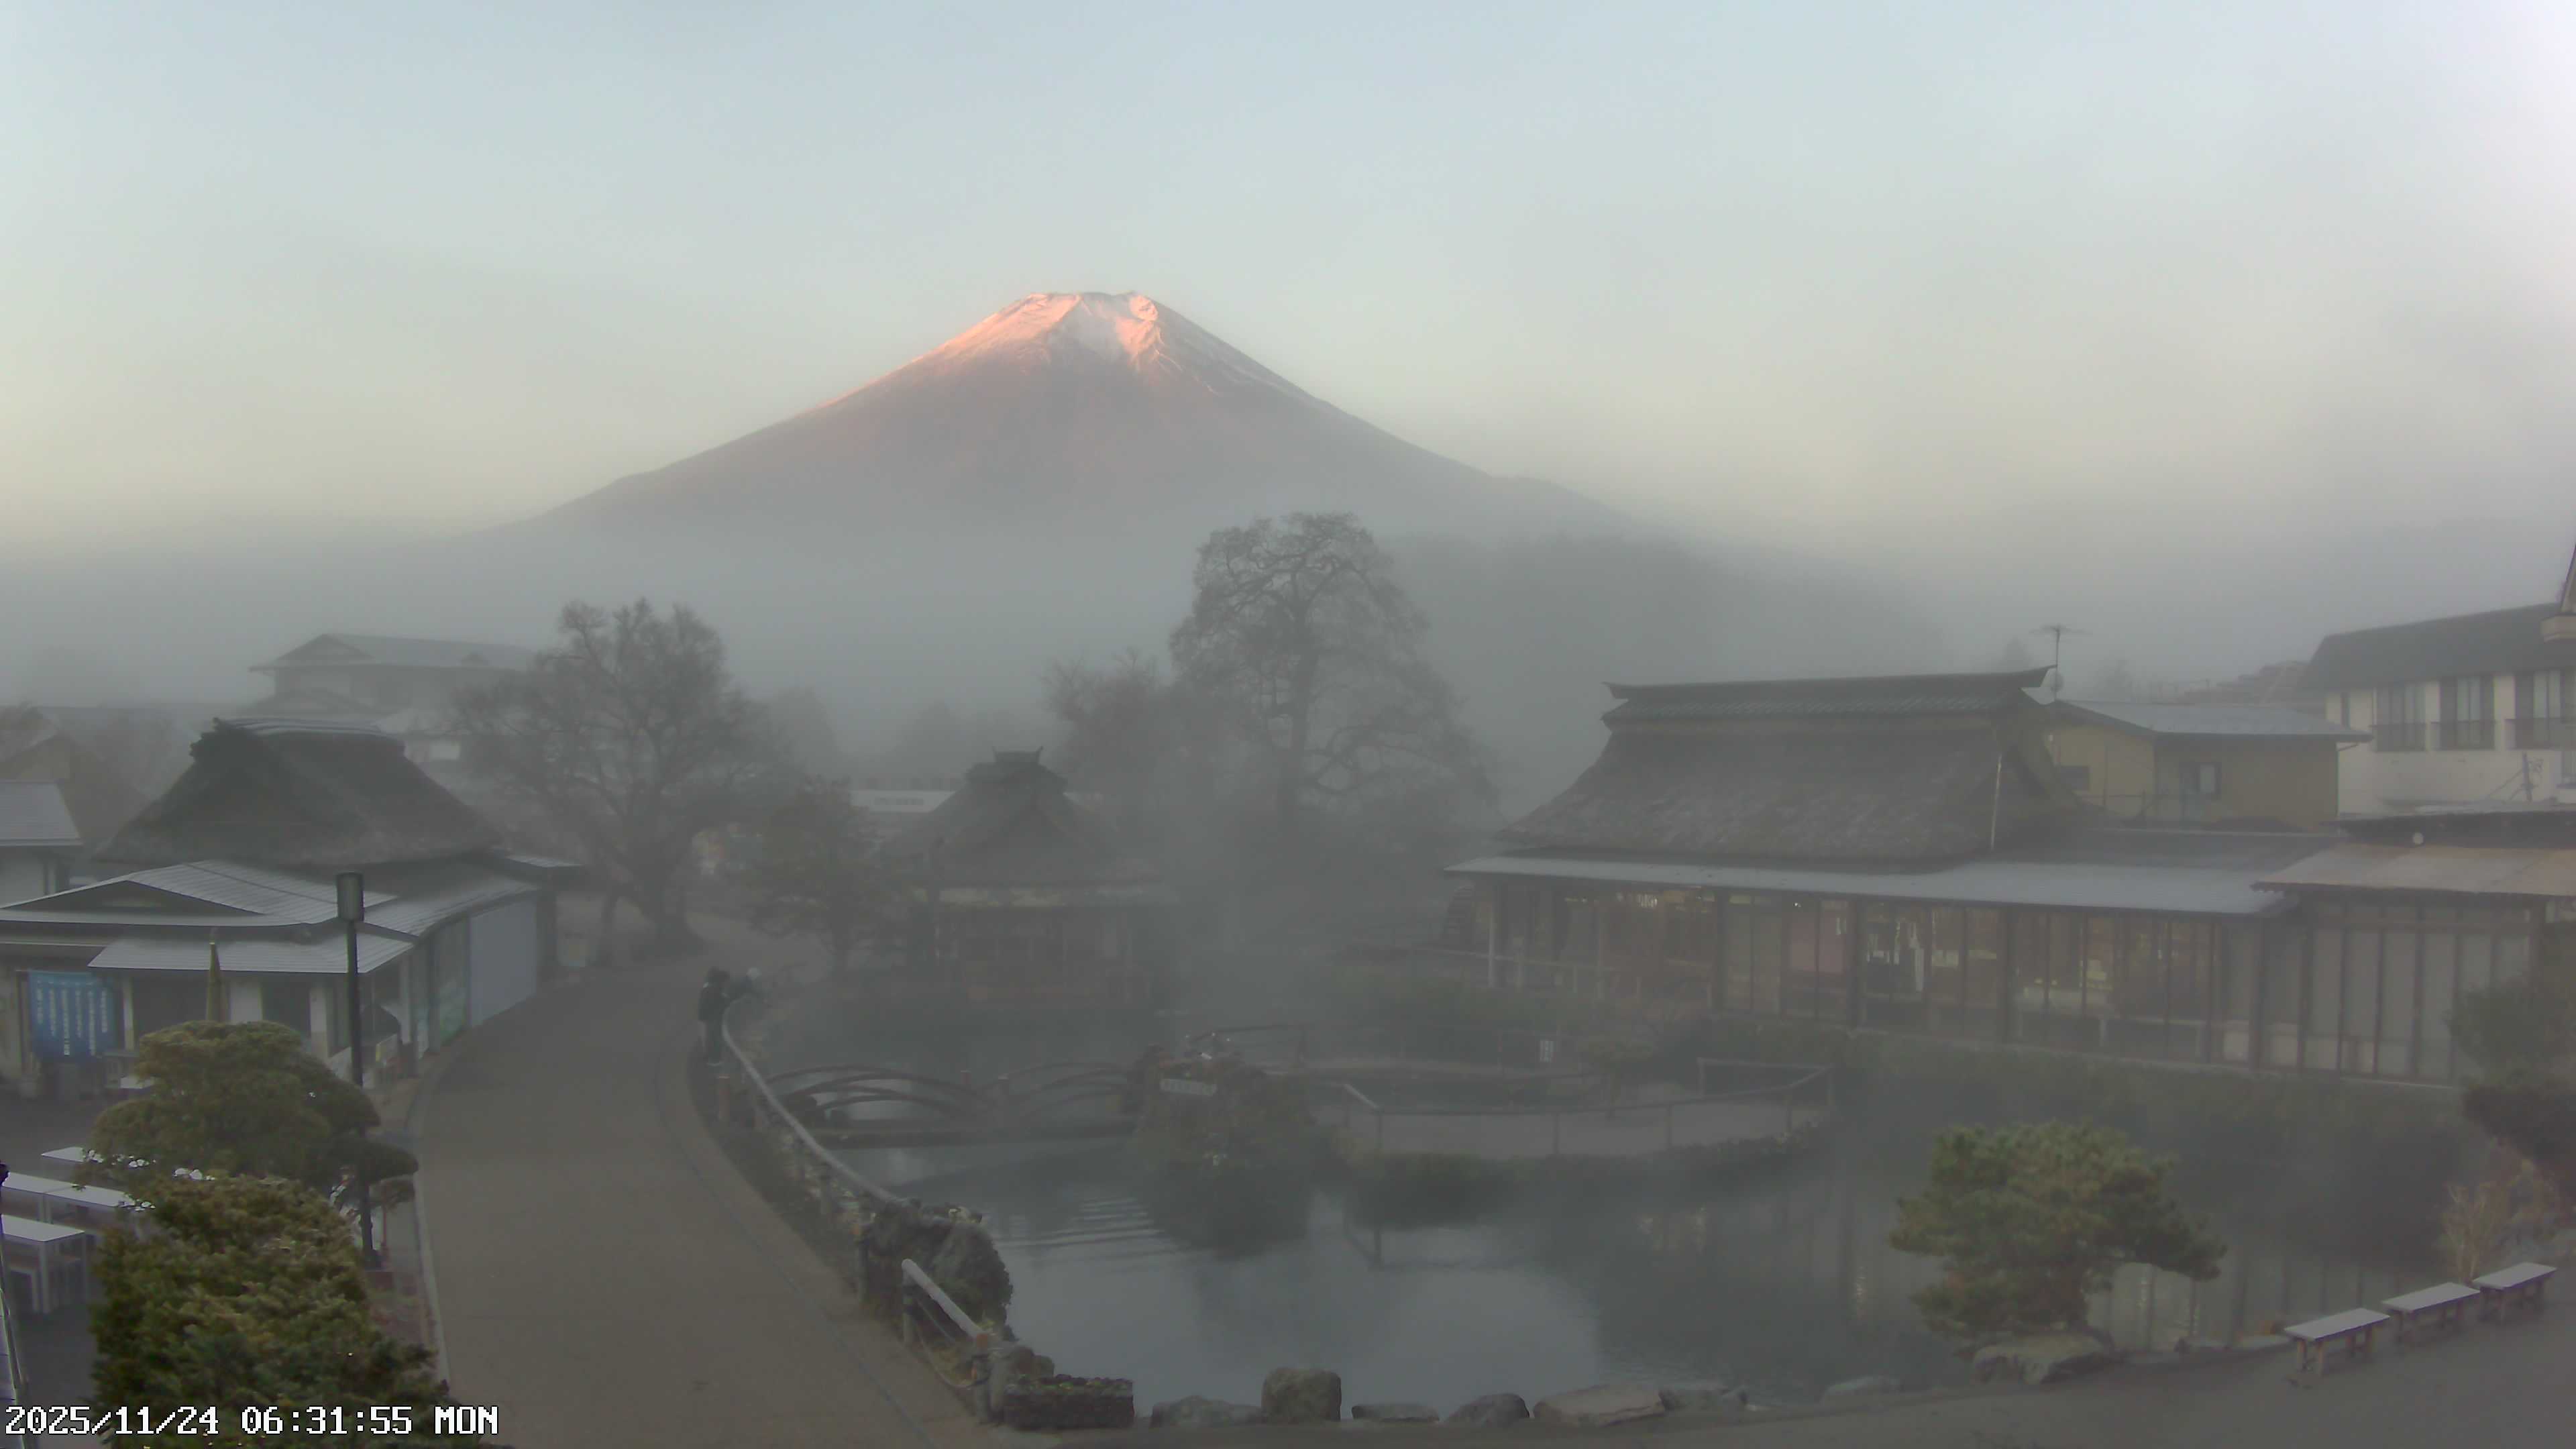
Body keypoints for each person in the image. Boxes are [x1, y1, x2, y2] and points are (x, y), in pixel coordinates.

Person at [696, 967, 734, 1065]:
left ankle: (709, 1057)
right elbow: (717, 1002)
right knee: (711, 1037)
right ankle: (712, 1059)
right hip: (708, 1017)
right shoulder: (713, 989)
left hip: (705, 1017)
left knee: (708, 1037)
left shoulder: (709, 988)